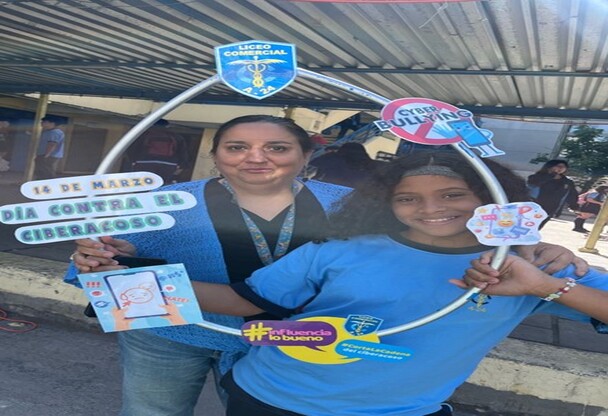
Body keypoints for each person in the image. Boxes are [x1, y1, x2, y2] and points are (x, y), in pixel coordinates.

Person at [191, 151, 606, 416]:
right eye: (407, 198)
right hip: (271, 397)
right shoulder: (338, 251)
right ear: (386, 204)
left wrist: (543, 287)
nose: (430, 208)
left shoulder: (527, 265)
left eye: (452, 195)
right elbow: (242, 300)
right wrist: (151, 283)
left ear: (490, 198)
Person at [64, 115, 353, 416]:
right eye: (237, 147)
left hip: (286, 339)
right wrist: (103, 256)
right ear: (215, 155)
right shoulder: (168, 200)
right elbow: (106, 258)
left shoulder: (349, 206)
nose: (256, 158)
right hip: (168, 332)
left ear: (306, 155)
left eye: (277, 148)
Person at [129, 119, 190, 184]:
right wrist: (182, 166)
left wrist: (132, 160)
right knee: (162, 183)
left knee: (143, 184)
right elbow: (182, 152)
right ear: (167, 126)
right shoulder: (176, 136)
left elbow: (133, 148)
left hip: (144, 162)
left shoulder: (144, 135)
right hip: (168, 164)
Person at [527, 159, 579, 229]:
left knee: (537, 228)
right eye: (558, 166)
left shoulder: (567, 182)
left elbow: (572, 194)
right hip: (534, 207)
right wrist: (551, 176)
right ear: (550, 166)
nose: (561, 168)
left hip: (551, 209)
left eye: (564, 167)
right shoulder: (536, 177)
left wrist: (574, 205)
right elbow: (532, 184)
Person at [310, 142, 383, 188]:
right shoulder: (372, 165)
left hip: (328, 189)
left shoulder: (333, 159)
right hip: (357, 196)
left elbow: (313, 163)